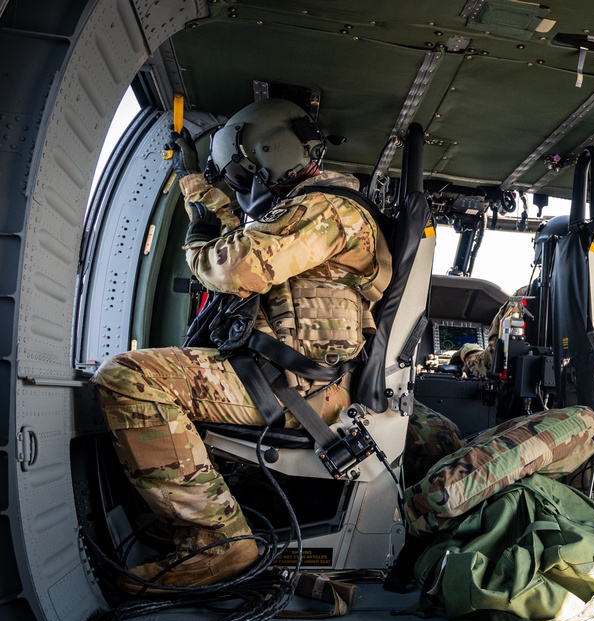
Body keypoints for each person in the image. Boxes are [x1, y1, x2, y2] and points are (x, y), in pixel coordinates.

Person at [92, 98, 391, 592]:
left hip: (298, 390)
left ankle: (218, 542)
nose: (247, 185)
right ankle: (189, 527)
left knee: (129, 377)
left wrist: (198, 239)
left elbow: (234, 267)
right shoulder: (310, 210)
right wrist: (200, 193)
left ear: (268, 153)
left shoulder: (328, 208)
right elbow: (248, 239)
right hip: (289, 379)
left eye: (246, 172)